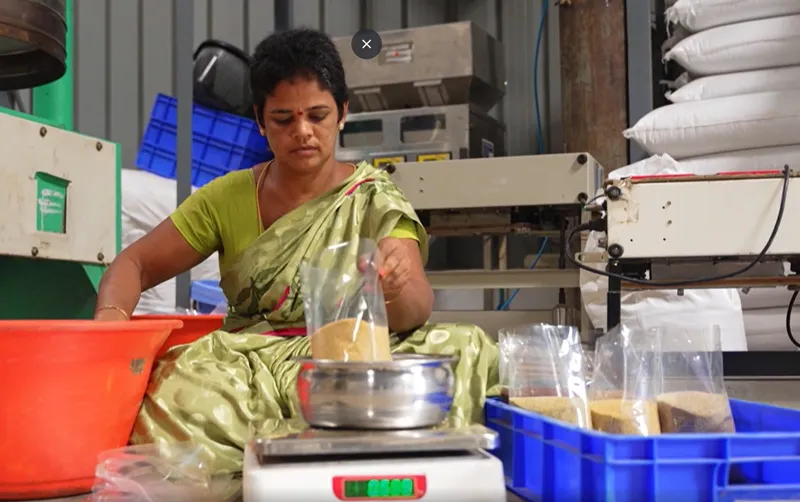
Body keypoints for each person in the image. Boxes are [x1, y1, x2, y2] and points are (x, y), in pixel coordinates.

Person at [95, 28, 499, 474]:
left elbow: (415, 310)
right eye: (284, 119)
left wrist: (396, 288)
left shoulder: (373, 197)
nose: (302, 132)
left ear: (343, 113)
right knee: (178, 389)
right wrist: (108, 329)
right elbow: (134, 263)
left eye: (318, 115)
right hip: (250, 367)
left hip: (349, 364)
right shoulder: (227, 197)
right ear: (260, 121)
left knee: (467, 348)